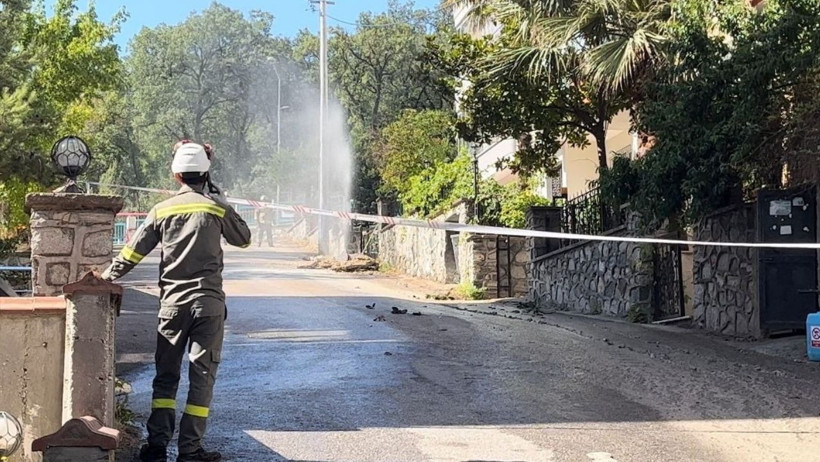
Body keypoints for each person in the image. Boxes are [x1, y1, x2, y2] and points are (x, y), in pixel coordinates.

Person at [101, 141, 251, 462]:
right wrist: (222, 200)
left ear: (176, 176)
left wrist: (104, 278)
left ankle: (156, 448)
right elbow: (244, 238)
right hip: (208, 307)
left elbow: (131, 253)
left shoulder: (161, 210)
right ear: (205, 174)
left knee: (166, 378)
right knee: (201, 378)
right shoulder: (215, 208)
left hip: (171, 306)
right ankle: (190, 449)